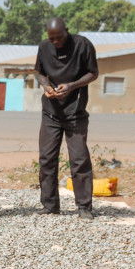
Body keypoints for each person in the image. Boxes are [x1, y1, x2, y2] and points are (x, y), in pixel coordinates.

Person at [34, 17, 99, 219]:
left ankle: (84, 207)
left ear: (67, 31)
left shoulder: (83, 45)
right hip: (51, 113)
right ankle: (50, 205)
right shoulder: (44, 47)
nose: (55, 42)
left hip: (75, 113)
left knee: (79, 160)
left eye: (59, 37)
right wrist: (46, 86)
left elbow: (93, 73)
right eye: (51, 38)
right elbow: (39, 72)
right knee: (47, 159)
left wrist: (71, 86)